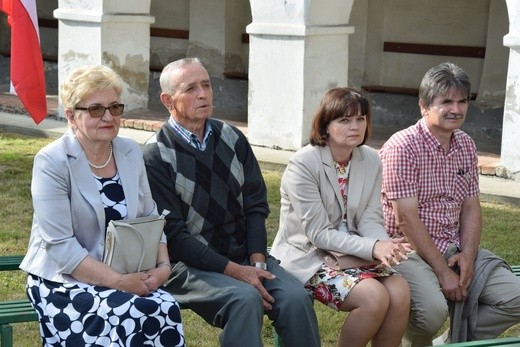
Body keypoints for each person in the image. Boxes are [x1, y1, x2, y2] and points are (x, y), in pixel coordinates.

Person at [142, 57, 320, 347]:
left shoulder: (232, 138)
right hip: (187, 266)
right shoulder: (155, 156)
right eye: (190, 88)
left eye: (206, 85)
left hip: (245, 256)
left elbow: (256, 206)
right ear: (167, 100)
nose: (203, 94)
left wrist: (258, 261)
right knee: (245, 298)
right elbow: (174, 238)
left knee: (296, 299)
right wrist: (238, 272)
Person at [20, 65, 185, 347]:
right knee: (128, 311)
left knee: (165, 307)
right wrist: (119, 282)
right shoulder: (52, 161)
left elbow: (150, 218)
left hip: (127, 275)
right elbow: (61, 247)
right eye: (96, 109)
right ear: (72, 116)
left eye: (115, 107)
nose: (108, 117)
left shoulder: (131, 151)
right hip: (64, 280)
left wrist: (163, 267)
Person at [379, 62, 520, 346]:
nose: (456, 109)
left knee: (515, 297)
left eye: (462, 101)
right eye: (446, 102)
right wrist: (443, 272)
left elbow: (470, 206)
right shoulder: (402, 147)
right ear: (424, 106)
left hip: (453, 246)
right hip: (407, 249)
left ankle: (451, 343)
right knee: (431, 312)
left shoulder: (466, 144)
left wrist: (467, 256)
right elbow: (406, 218)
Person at [270, 87, 411, 347]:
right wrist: (373, 247)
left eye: (360, 118)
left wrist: (386, 247)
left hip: (352, 253)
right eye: (344, 120)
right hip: (308, 256)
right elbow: (318, 233)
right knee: (374, 297)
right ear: (325, 125)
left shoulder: (371, 159)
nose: (355, 126)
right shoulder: (303, 164)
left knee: (400, 291)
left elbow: (370, 217)